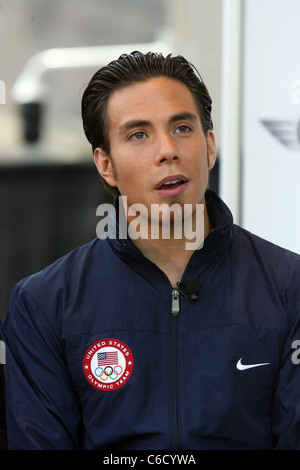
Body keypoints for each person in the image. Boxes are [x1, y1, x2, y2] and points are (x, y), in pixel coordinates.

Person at [1, 51, 300, 450]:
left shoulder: (289, 286)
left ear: (209, 146)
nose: (167, 150)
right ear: (106, 165)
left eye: (182, 128)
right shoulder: (43, 304)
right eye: (138, 134)